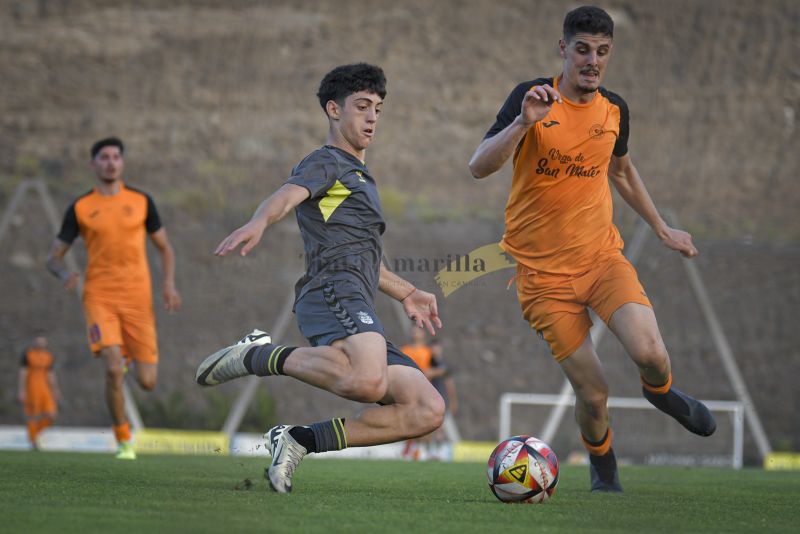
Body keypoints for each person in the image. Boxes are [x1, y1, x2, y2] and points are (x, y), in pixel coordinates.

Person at [469, 5, 715, 492]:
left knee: (650, 351)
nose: (592, 61)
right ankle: (604, 467)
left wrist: (662, 228)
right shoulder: (531, 98)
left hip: (602, 260)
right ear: (563, 49)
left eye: (602, 52)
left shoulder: (615, 110)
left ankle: (660, 392)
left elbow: (621, 171)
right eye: (582, 49)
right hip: (542, 280)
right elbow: (478, 165)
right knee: (594, 392)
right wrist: (522, 123)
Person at [195, 63, 445, 493]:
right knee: (368, 381)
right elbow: (287, 195)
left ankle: (298, 439)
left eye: (378, 109)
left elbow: (365, 260)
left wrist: (407, 292)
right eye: (362, 106)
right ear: (333, 109)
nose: (371, 118)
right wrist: (259, 222)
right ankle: (258, 354)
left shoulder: (361, 178)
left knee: (426, 408)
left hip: (358, 295)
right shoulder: (327, 162)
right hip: (332, 289)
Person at [46, 137, 181, 460]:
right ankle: (123, 438)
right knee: (111, 368)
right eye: (103, 157)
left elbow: (165, 248)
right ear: (93, 164)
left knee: (147, 381)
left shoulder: (141, 201)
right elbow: (53, 258)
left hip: (137, 300)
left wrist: (169, 285)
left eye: (116, 157)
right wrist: (64, 275)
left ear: (122, 163)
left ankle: (128, 356)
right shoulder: (80, 208)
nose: (110, 162)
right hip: (99, 297)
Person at [18, 333, 61, 449]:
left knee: (52, 415)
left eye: (42, 341)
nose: (40, 343)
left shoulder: (48, 355)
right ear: (34, 342)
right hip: (31, 388)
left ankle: (34, 434)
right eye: (38, 341)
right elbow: (23, 372)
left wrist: (55, 389)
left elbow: (50, 373)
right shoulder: (28, 354)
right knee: (32, 415)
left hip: (45, 388)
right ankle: (33, 441)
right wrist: (22, 390)